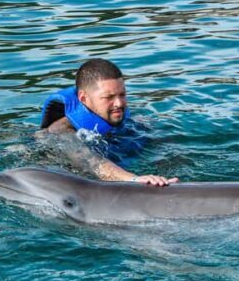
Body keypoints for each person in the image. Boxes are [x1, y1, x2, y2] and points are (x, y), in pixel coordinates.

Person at [40, 58, 177, 185]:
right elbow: (92, 163)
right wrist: (134, 179)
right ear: (83, 98)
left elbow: (162, 147)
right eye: (108, 97)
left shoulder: (129, 120)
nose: (118, 103)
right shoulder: (61, 132)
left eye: (122, 95)